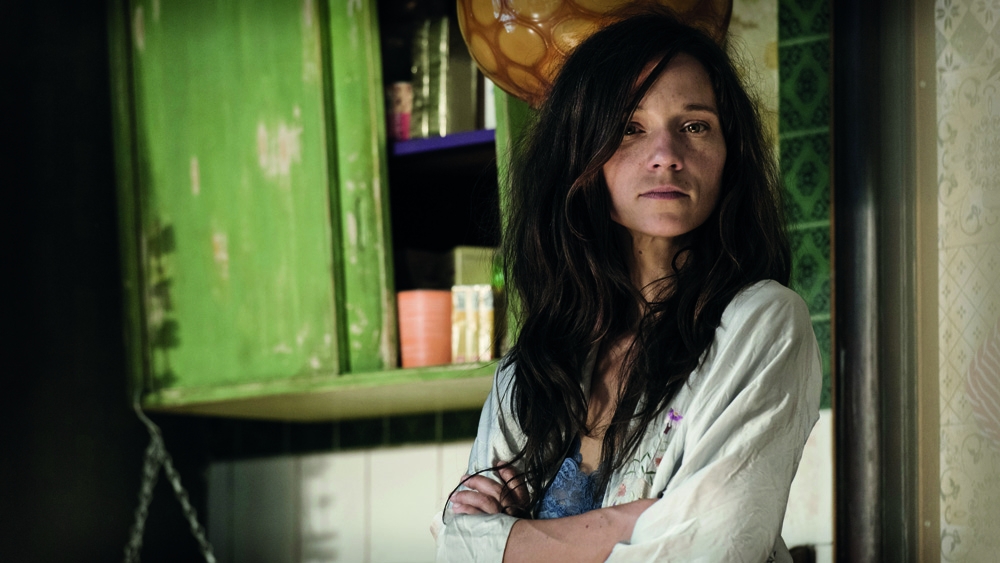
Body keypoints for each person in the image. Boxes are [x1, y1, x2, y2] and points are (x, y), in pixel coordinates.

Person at [435, 6, 821, 562]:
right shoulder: (529, 371)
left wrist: (507, 540)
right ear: (581, 157)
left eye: (695, 126)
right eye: (629, 128)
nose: (666, 157)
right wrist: (630, 521)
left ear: (729, 153)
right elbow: (456, 549)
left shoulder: (762, 321)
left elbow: (708, 548)